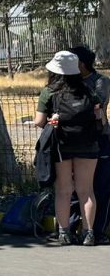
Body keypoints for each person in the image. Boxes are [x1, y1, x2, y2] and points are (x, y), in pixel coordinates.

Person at [34, 50, 103, 245]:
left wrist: (53, 121)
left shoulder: (49, 92)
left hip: (60, 145)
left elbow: (39, 122)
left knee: (63, 190)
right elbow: (100, 119)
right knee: (86, 190)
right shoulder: (89, 91)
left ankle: (64, 233)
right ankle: (88, 234)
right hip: (88, 145)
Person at [72, 46, 110, 243]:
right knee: (75, 187)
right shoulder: (68, 82)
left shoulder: (100, 81)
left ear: (81, 63)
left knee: (101, 187)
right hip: (75, 140)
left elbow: (97, 106)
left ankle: (98, 230)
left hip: (98, 138)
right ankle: (71, 227)